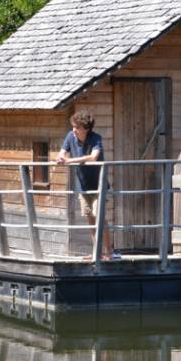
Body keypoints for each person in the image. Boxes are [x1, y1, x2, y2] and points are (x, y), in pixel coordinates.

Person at [56, 110, 114, 259]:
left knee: (100, 218)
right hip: (83, 186)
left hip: (98, 185)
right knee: (90, 219)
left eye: (76, 127)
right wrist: (61, 158)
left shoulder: (95, 138)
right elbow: (61, 153)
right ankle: (97, 253)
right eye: (73, 126)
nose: (73, 129)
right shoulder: (71, 136)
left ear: (85, 129)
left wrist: (71, 161)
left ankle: (109, 252)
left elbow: (94, 157)